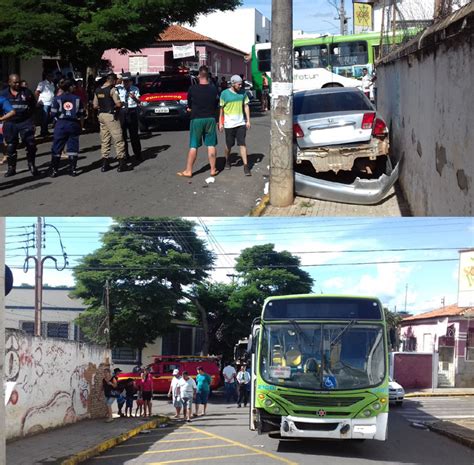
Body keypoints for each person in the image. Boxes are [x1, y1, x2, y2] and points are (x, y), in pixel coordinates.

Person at [177, 65, 219, 178]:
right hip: (210, 118)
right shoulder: (213, 88)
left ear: (199, 75)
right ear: (208, 75)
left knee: (193, 145)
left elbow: (189, 104)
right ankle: (213, 169)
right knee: (211, 144)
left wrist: (190, 108)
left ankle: (188, 170)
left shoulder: (192, 88)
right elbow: (216, 104)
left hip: (196, 118)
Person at [1, 74, 39, 177]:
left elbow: (33, 108)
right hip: (10, 123)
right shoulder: (3, 94)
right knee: (11, 146)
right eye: (15, 82)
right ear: (9, 83)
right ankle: (11, 168)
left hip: (25, 121)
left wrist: (33, 122)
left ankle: (32, 165)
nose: (17, 84)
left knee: (30, 144)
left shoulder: (26, 92)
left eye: (18, 82)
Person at [48, 79, 84, 177]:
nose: (75, 87)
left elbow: (53, 113)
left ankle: (54, 170)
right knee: (73, 147)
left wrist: (57, 120)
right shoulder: (77, 99)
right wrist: (81, 126)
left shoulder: (57, 99)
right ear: (70, 87)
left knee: (57, 146)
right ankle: (73, 170)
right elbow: (81, 114)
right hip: (73, 124)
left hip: (61, 124)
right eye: (73, 86)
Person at [93, 72, 127, 172]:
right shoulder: (112, 90)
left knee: (105, 139)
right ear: (112, 80)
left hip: (101, 115)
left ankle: (105, 163)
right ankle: (122, 163)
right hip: (111, 116)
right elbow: (118, 104)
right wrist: (119, 104)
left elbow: (95, 105)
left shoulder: (98, 90)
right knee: (118, 138)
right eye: (116, 80)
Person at [219, 75, 251, 176]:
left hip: (240, 123)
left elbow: (246, 106)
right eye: (239, 84)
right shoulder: (224, 94)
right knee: (229, 145)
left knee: (242, 143)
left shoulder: (243, 93)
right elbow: (221, 110)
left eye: (241, 84)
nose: (240, 86)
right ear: (233, 83)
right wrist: (220, 123)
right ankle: (227, 160)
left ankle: (246, 166)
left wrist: (248, 120)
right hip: (229, 125)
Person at [117, 74, 142, 162]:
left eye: (127, 81)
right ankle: (125, 155)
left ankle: (138, 154)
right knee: (123, 135)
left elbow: (139, 102)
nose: (125, 83)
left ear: (130, 81)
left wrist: (134, 98)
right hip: (122, 112)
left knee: (134, 135)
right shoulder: (118, 89)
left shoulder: (135, 89)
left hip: (132, 111)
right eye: (124, 81)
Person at [35, 72, 55, 137]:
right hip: (44, 103)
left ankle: (46, 130)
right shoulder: (42, 83)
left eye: (52, 76)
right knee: (44, 118)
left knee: (48, 118)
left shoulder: (52, 84)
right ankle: (43, 131)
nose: (52, 77)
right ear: (47, 77)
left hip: (51, 102)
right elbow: (37, 92)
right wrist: (38, 100)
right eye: (50, 76)